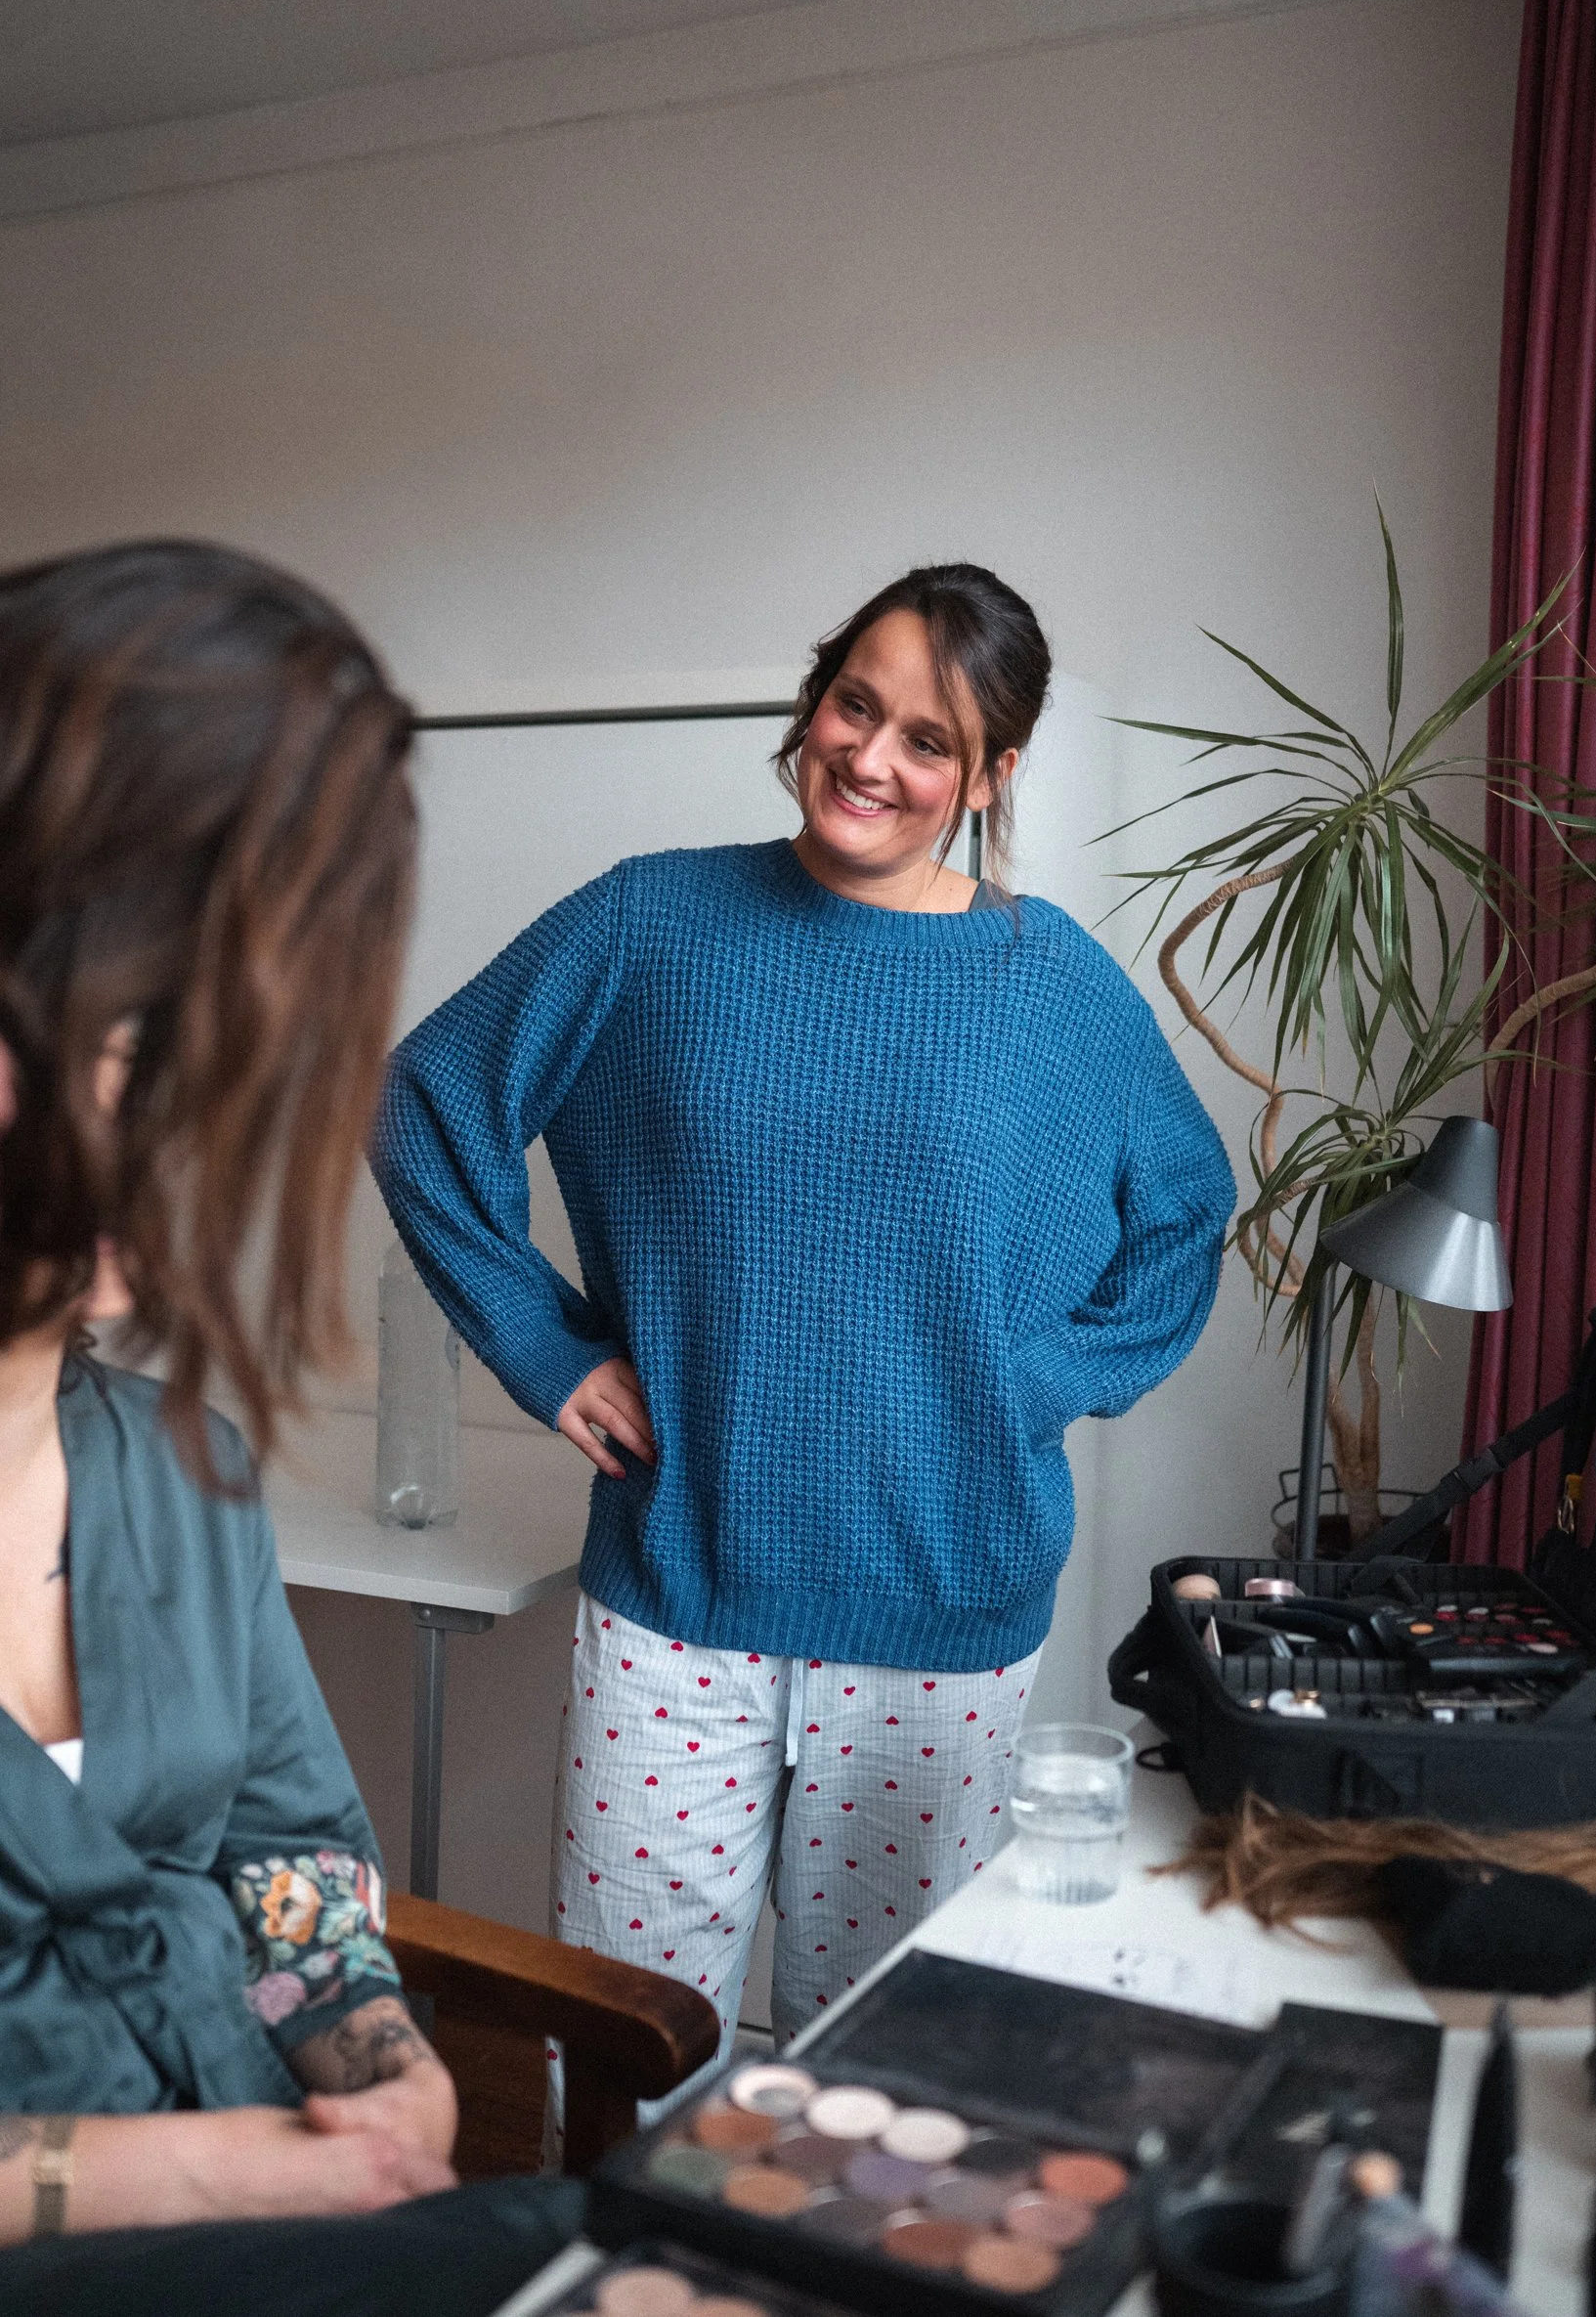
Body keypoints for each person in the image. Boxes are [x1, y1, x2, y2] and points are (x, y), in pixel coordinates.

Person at [375, 561, 1234, 2081]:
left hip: (940, 1610)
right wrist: (545, 1345)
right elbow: (428, 1103)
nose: (871, 758)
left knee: (878, 2064)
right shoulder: (652, 921)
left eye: (928, 740)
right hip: (680, 1593)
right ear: (816, 692)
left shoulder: (1054, 988)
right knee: (629, 2045)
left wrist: (1030, 1377)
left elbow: (1180, 1214)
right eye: (855, 703)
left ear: (991, 775)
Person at [0, 542, 579, 2314]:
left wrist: (367, 2040)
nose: (158, 1137)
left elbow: (286, 1844)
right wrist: (182, 2171)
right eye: (113, 1056)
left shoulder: (176, 1462)